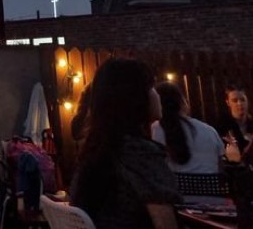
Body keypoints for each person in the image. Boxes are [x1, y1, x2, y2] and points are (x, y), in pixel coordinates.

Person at [70, 59, 181, 229]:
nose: (156, 94)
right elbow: (166, 224)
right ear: (135, 97)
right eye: (151, 87)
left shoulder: (94, 151)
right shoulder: (140, 154)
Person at [151, 82, 225, 204]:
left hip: (178, 206)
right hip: (214, 203)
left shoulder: (156, 129)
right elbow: (220, 168)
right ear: (182, 102)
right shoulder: (209, 131)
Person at [216, 84, 253, 162]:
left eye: (242, 100)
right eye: (235, 100)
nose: (239, 103)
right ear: (228, 102)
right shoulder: (222, 126)